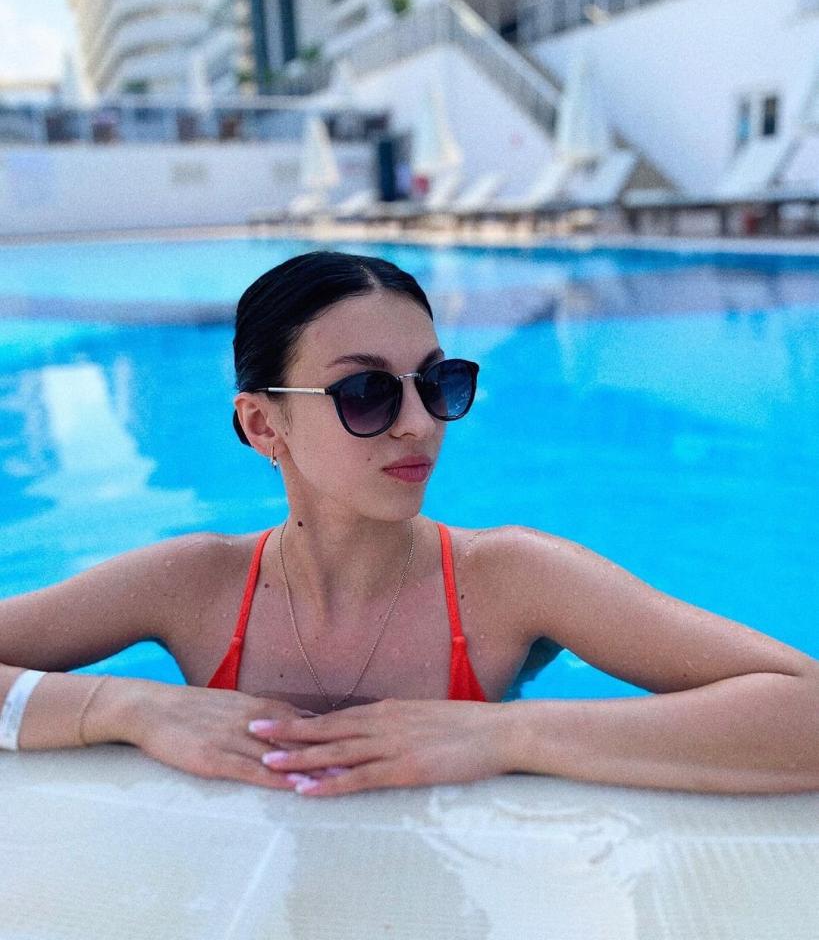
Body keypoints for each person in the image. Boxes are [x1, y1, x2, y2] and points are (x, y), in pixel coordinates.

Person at [1, 250, 817, 799]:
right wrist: (128, 708)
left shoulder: (512, 580)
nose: (419, 424)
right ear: (261, 424)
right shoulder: (192, 584)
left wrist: (504, 735)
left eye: (438, 383)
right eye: (366, 393)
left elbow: (804, 705)